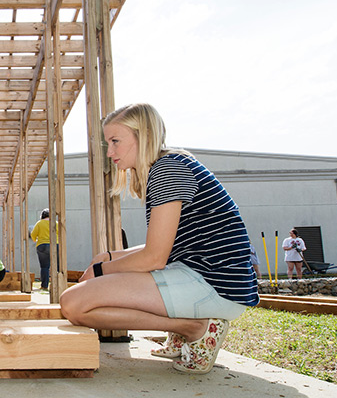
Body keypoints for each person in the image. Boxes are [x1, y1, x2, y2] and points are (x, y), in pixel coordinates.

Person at [58, 103, 258, 375]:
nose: (111, 151)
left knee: (74, 304)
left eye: (116, 141)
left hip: (215, 283)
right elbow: (169, 247)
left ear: (145, 136)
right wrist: (107, 259)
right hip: (207, 277)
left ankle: (193, 327)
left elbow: (155, 257)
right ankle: (184, 329)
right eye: (108, 143)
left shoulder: (167, 170)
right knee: (99, 268)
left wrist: (100, 270)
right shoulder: (169, 165)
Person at [30, 209, 52, 291]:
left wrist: (35, 240)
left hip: (42, 245)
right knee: (57, 266)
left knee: (44, 267)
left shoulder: (39, 223)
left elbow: (33, 235)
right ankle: (57, 284)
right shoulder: (55, 223)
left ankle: (44, 285)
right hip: (54, 245)